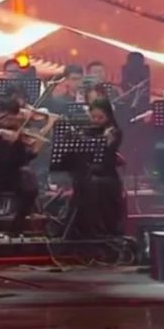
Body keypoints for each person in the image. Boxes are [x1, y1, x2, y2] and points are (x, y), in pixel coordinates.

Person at [0, 97, 40, 237]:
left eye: (13, 119)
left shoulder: (19, 130)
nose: (10, 123)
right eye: (7, 119)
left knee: (31, 186)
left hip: (13, 174)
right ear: (0, 114)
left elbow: (23, 160)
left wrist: (33, 151)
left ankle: (16, 228)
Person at [68, 97, 124, 238]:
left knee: (93, 184)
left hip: (107, 174)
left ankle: (98, 229)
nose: (96, 121)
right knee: (83, 180)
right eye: (93, 117)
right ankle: (80, 228)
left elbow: (107, 159)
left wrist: (106, 142)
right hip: (87, 172)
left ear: (108, 116)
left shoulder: (115, 132)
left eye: (100, 118)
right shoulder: (85, 130)